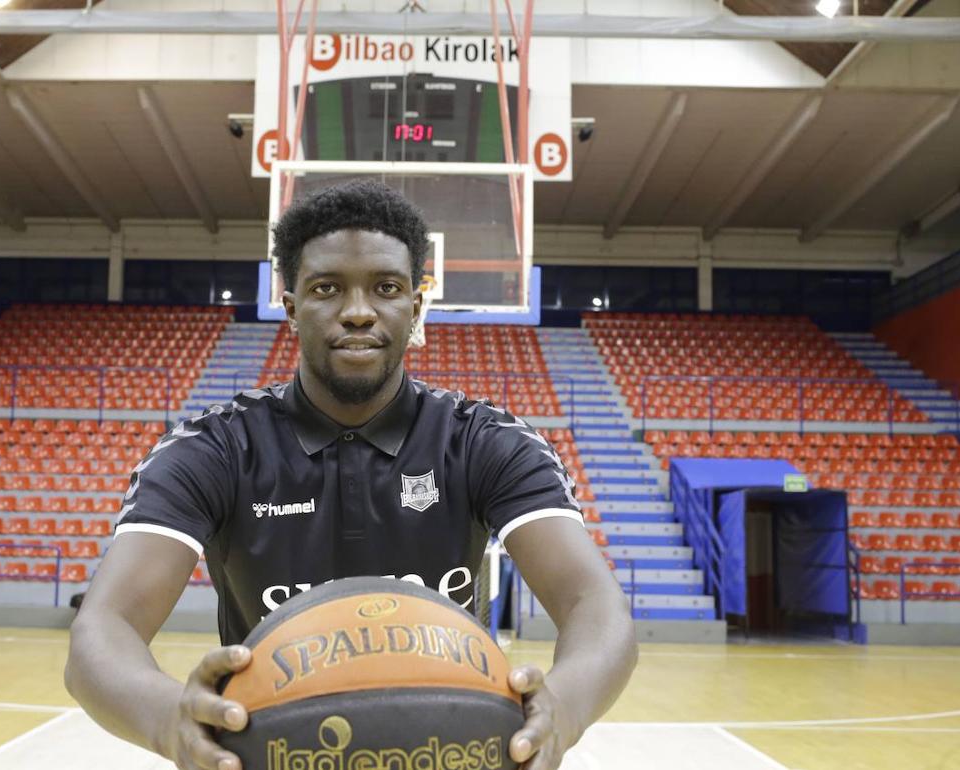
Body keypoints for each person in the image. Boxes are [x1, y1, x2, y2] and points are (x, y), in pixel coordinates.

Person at [65, 180, 637, 770]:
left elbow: (594, 602)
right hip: (273, 752)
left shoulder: (484, 442)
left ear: (416, 306)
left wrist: (562, 709)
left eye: (386, 288)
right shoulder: (215, 448)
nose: (358, 311)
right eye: (327, 288)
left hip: (451, 747)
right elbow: (103, 626)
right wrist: (169, 720)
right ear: (291, 307)